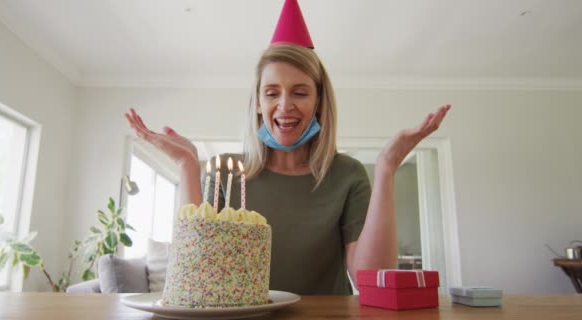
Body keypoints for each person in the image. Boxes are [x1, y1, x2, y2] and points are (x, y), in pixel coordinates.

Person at [125, 0, 450, 295]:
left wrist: (387, 167)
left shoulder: (347, 175)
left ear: (319, 100)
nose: (284, 106)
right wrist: (187, 167)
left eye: (299, 92)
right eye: (271, 92)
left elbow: (371, 279)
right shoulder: (225, 173)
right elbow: (196, 277)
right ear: (257, 103)